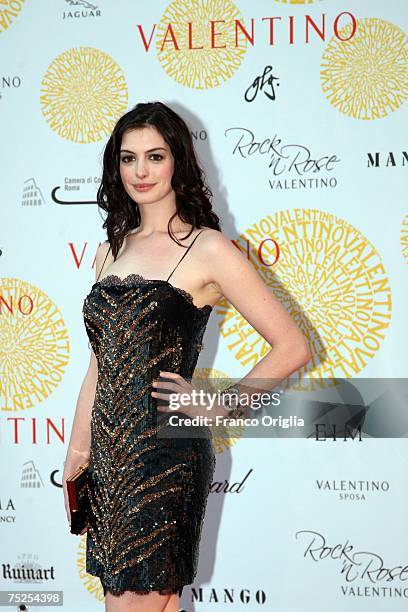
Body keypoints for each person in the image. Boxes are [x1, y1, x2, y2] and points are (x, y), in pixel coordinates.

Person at [62, 101, 310, 612]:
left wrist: (222, 406)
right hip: (109, 458)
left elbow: (292, 346)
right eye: (128, 159)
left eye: (154, 156)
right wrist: (78, 451)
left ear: (177, 160)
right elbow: (98, 366)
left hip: (164, 457)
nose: (141, 171)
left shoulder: (210, 249)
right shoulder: (110, 250)